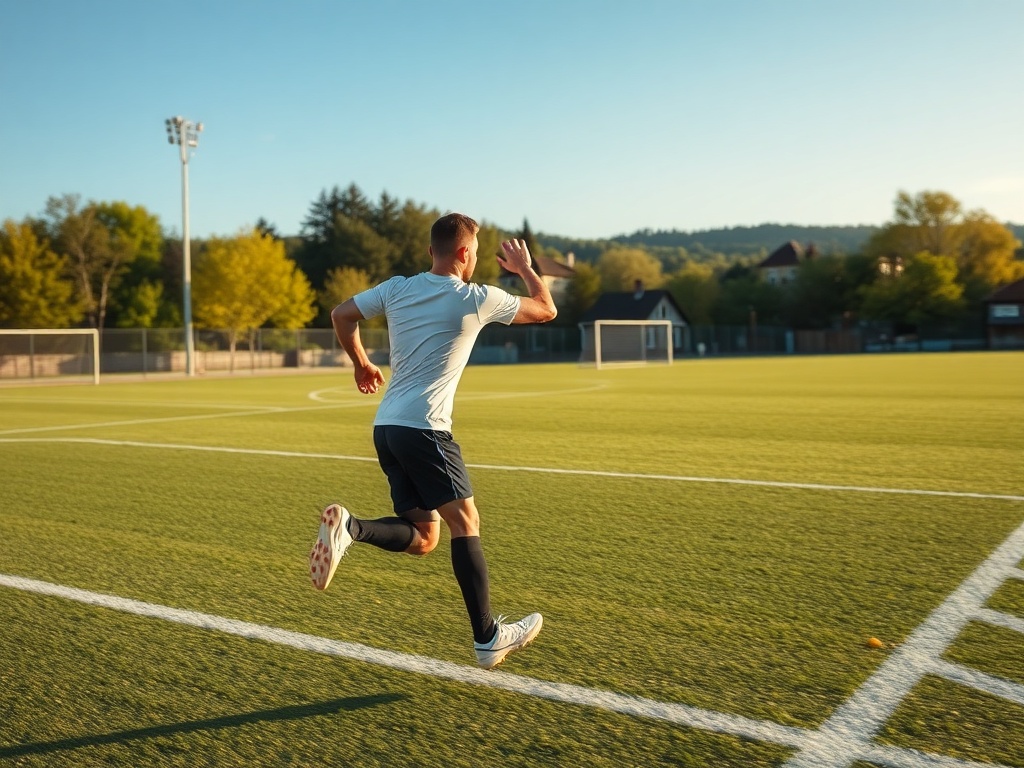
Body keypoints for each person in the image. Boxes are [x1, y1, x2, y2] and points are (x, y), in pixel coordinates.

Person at [309, 212, 557, 670]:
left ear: (431, 251)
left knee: (425, 538)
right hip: (426, 428)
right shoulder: (476, 298)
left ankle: (351, 528)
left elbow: (341, 314)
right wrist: (524, 269)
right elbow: (546, 309)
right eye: (476, 253)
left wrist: (361, 364)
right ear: (464, 254)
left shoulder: (397, 288)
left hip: (387, 428)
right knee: (467, 521)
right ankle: (488, 637)